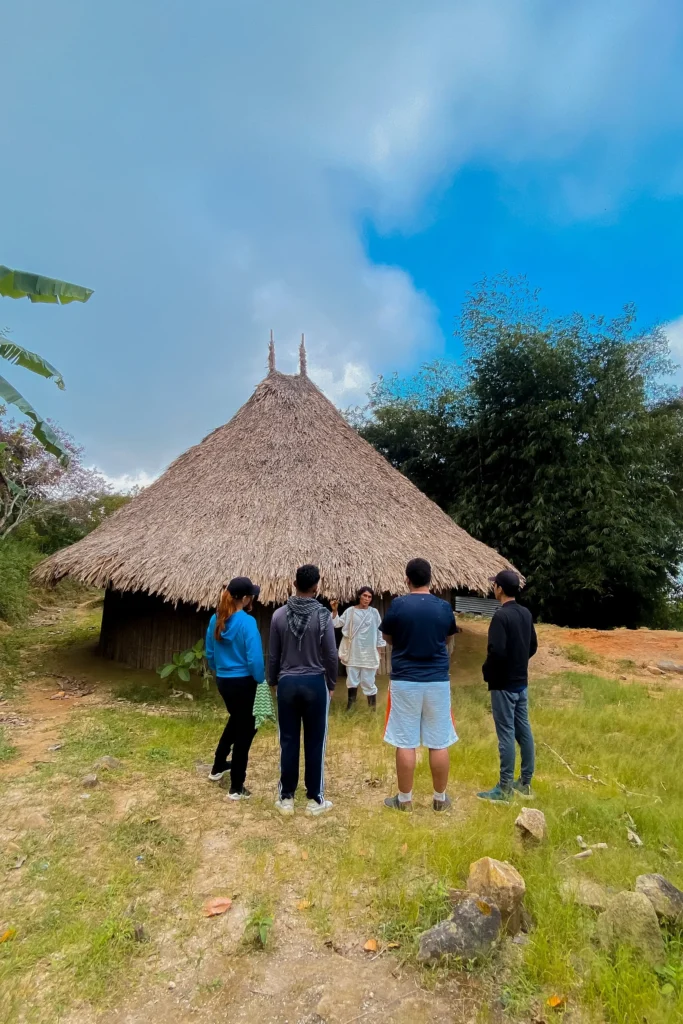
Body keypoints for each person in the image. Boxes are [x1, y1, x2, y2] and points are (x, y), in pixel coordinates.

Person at [380, 557, 458, 813]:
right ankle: (440, 798)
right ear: (430, 579)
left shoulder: (399, 605)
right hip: (437, 680)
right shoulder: (443, 607)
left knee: (405, 740)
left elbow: (387, 636)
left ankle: (404, 800)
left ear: (407, 579)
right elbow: (447, 638)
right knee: (439, 741)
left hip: (405, 680)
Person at [269, 564, 338, 816]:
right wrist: (331, 683)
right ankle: (315, 799)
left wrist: (273, 682)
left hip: (287, 683)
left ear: (294, 583)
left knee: (287, 740)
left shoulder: (278, 615)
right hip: (314, 683)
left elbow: (273, 655)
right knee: (315, 741)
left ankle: (286, 798)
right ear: (316, 586)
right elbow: (331, 655)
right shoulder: (322, 616)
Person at [478, 570, 538, 803]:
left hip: (503, 684)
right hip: (521, 683)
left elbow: (496, 652)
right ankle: (524, 782)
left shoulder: (501, 617)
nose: (494, 588)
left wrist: (487, 672)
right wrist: (519, 662)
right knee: (524, 730)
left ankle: (504, 788)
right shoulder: (525, 613)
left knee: (506, 735)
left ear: (500, 589)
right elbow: (532, 646)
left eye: (495, 585)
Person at [205, 577, 264, 800]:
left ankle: (219, 765)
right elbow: (255, 659)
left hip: (224, 681)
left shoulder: (215, 619)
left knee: (236, 719)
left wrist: (220, 670)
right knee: (246, 731)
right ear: (246, 598)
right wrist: (261, 680)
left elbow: (210, 653)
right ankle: (236, 787)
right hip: (245, 682)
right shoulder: (247, 623)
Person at [330, 588, 385, 711]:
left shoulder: (374, 612)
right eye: (364, 595)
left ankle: (372, 710)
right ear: (359, 596)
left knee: (368, 681)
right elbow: (337, 623)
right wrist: (334, 611)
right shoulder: (350, 611)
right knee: (352, 680)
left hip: (369, 652)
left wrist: (379, 651)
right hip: (353, 652)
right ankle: (350, 708)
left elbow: (379, 631)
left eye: (369, 597)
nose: (366, 599)